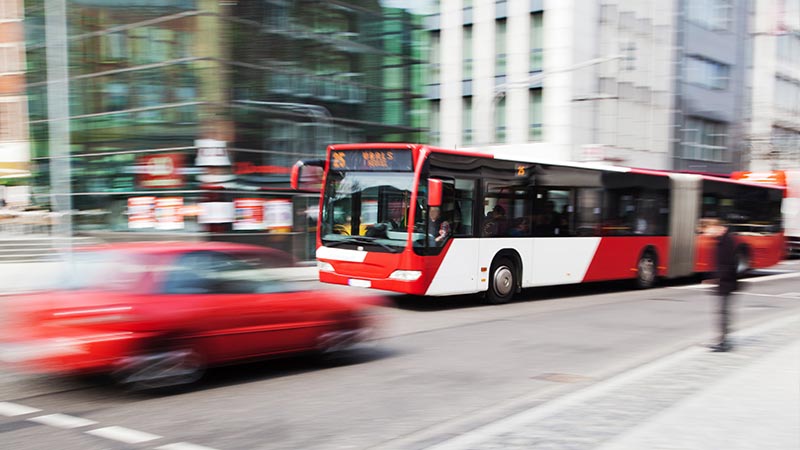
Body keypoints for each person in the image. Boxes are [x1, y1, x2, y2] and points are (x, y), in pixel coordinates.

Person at [708, 219, 738, 352]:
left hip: (726, 283)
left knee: (724, 313)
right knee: (722, 313)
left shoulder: (727, 241)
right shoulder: (722, 240)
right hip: (725, 283)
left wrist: (719, 278)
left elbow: (728, 264)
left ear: (719, 227)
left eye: (711, 229)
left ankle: (724, 343)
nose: (710, 232)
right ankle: (723, 341)